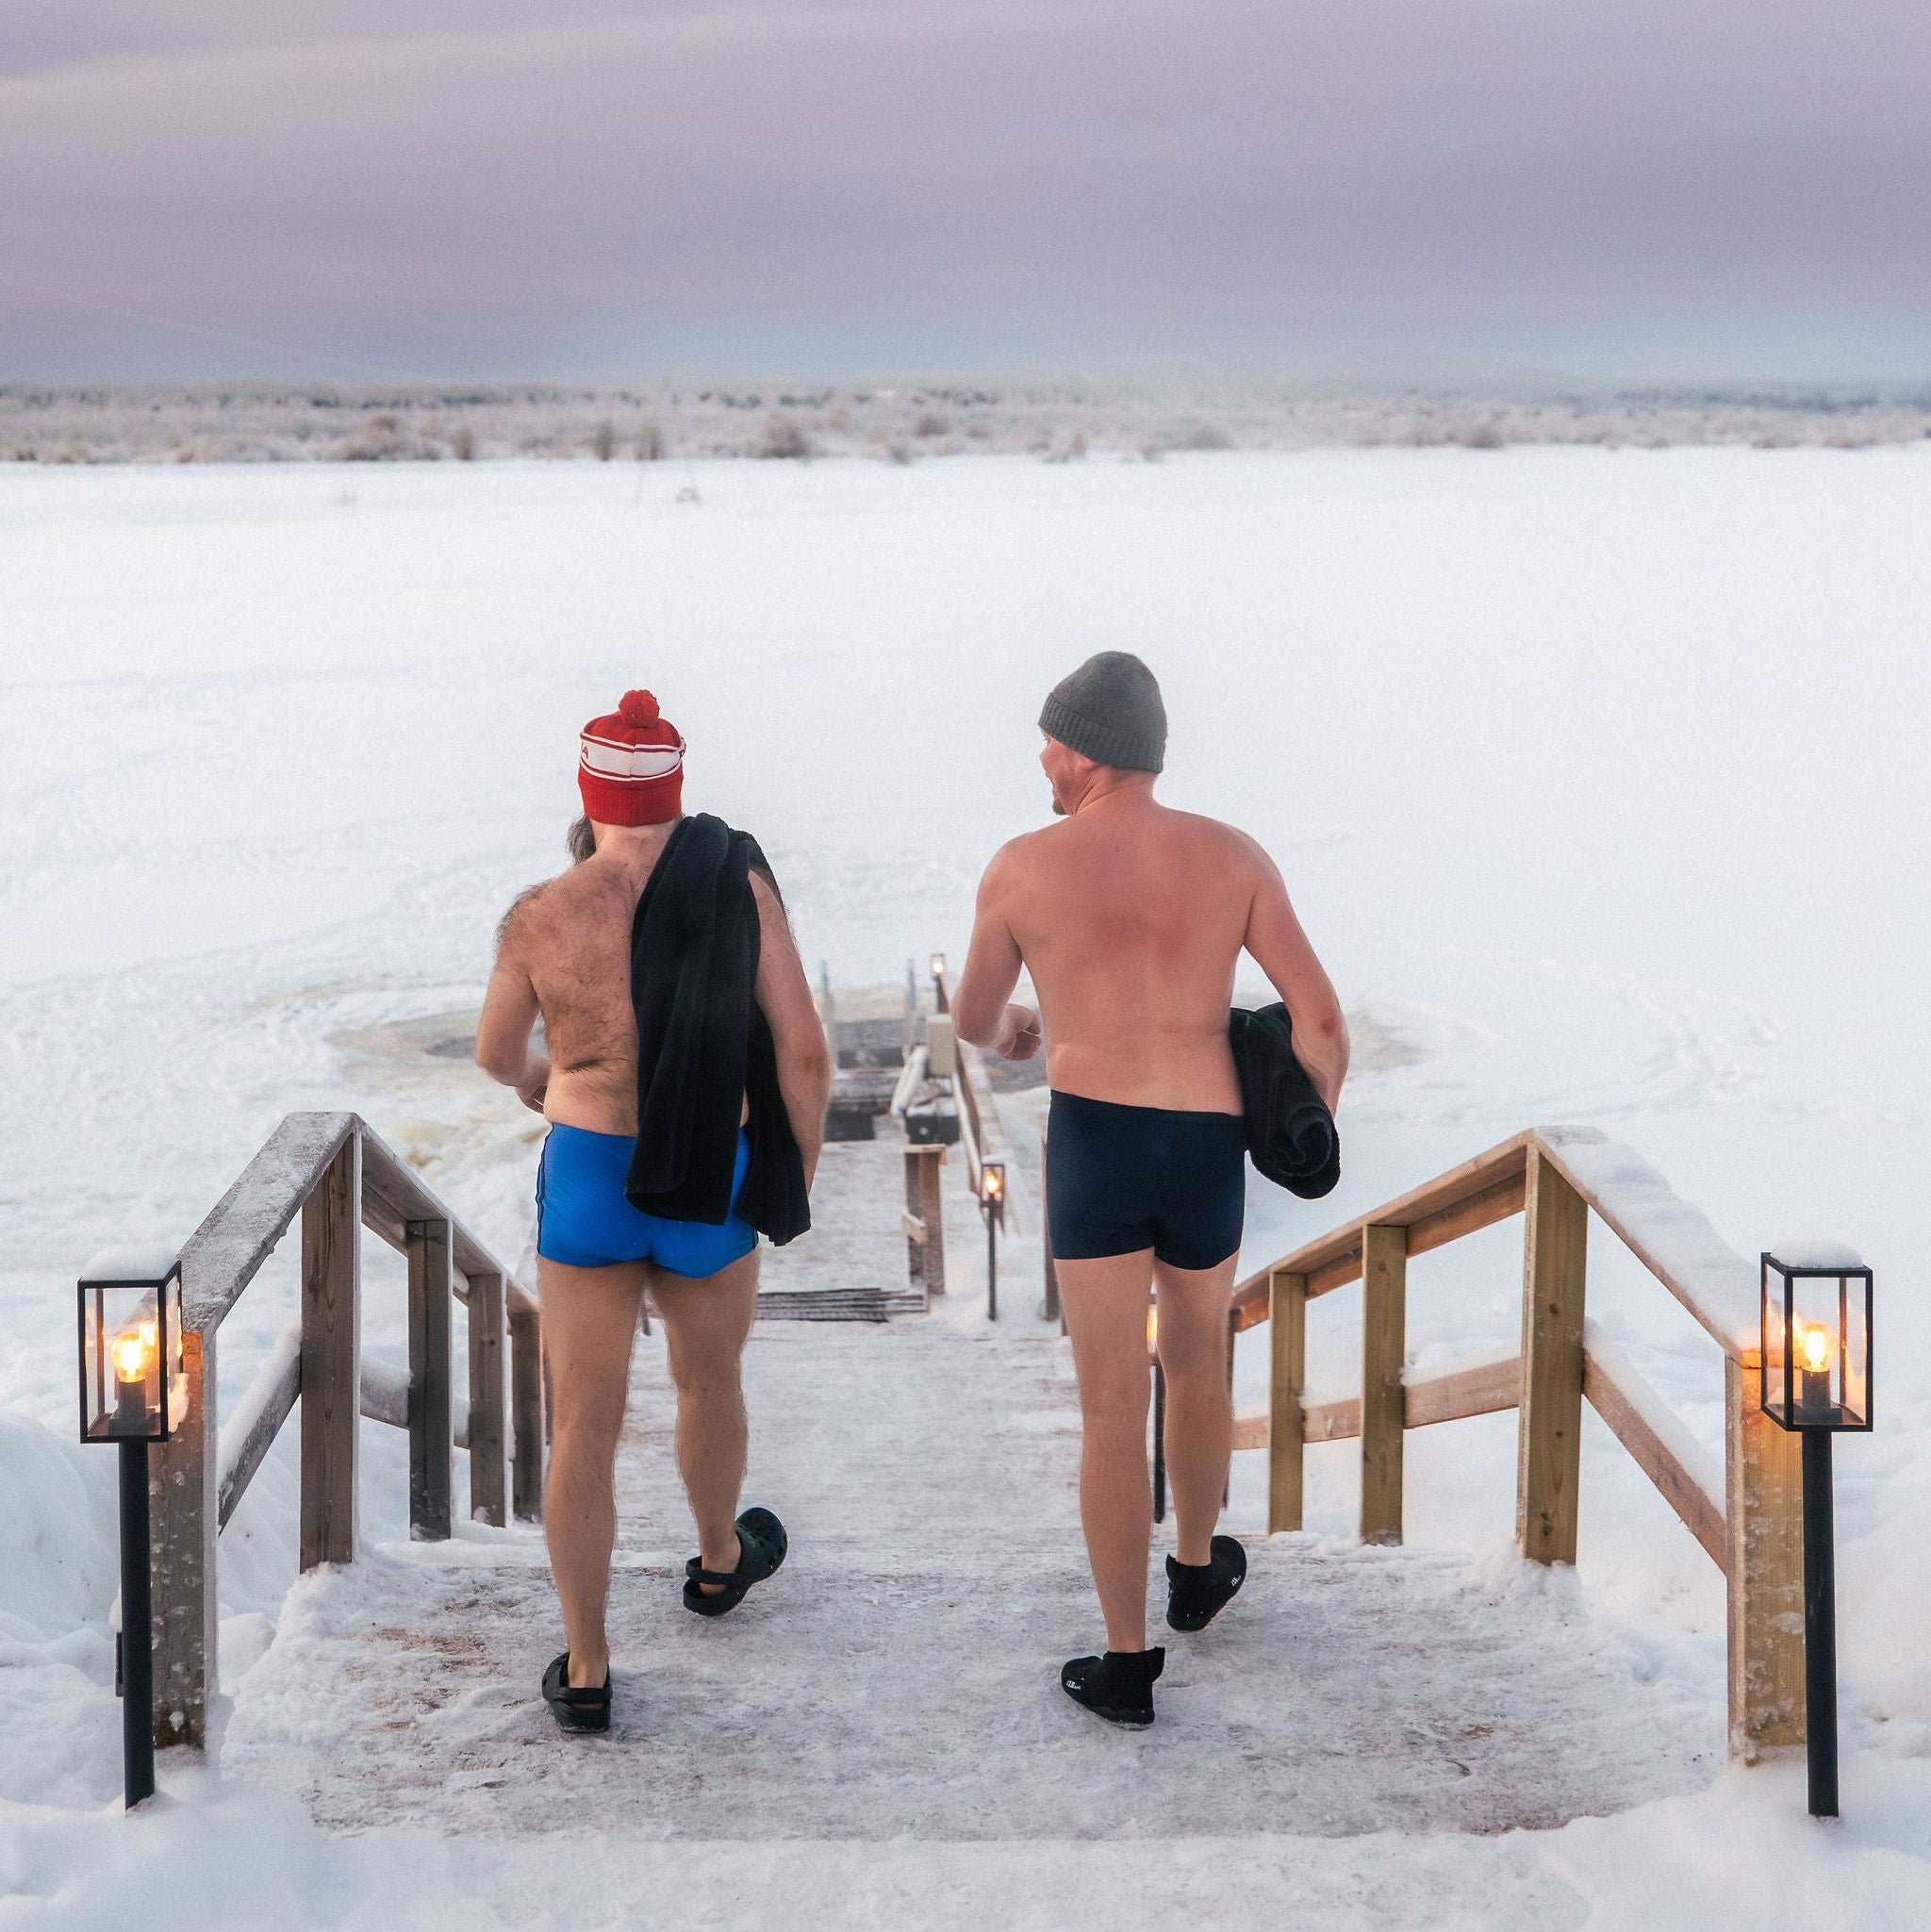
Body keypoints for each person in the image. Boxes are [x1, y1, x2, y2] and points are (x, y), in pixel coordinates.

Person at [952, 652, 1347, 1727]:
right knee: (1197, 1353)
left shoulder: (1020, 868)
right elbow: (1315, 1021)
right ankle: (1192, 1567)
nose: (1038, 755)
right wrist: (1305, 1133)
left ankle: (1126, 1661)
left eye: (1047, 739)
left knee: (1106, 1407)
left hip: (1094, 1138)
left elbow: (974, 1020)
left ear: (1082, 751)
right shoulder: (1233, 857)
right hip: (1202, 1140)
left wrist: (1022, 1030)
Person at [477, 689, 830, 1733]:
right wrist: (787, 1175)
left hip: (589, 1171)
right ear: (677, 791)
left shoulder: (541, 911)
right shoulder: (737, 884)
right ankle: (720, 1561)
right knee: (707, 1379)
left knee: (582, 1422)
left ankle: (586, 1665)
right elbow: (804, 1051)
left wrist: (548, 1080)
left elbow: (497, 1055)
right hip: (707, 1170)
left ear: (588, 795)